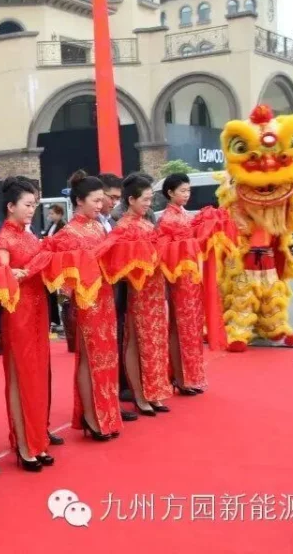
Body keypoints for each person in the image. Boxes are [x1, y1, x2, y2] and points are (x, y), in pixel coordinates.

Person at [0, 178, 54, 472]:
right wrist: (19, 271)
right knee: (21, 375)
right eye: (27, 205)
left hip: (38, 308)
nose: (31, 210)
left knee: (38, 374)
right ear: (10, 206)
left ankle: (38, 441)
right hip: (18, 312)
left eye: (34, 205)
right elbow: (2, 272)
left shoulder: (28, 235)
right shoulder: (3, 238)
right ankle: (24, 445)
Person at [54, 171, 123, 440]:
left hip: (104, 296)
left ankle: (107, 414)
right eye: (95, 200)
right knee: (89, 357)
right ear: (79, 201)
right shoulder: (68, 233)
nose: (100, 205)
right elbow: (67, 276)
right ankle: (91, 417)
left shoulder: (97, 227)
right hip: (85, 300)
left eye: (101, 200)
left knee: (107, 356)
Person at [113, 175, 173, 416]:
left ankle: (154, 392)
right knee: (136, 341)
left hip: (155, 290)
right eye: (145, 199)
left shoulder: (147, 223)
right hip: (138, 291)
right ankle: (139, 395)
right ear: (131, 200)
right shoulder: (122, 227)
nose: (149, 204)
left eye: (150, 199)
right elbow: (121, 266)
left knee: (155, 342)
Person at [157, 173, 206, 395]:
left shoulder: (185, 215)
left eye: (188, 190)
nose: (187, 195)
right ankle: (181, 377)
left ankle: (191, 376)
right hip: (178, 279)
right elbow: (163, 251)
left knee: (191, 328)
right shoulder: (167, 219)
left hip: (192, 279)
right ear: (170, 193)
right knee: (180, 328)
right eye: (182, 191)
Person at [98, 173, 139, 424]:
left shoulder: (108, 222)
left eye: (116, 198)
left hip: (114, 290)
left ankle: (111, 400)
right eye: (109, 197)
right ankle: (101, 406)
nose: (113, 202)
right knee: (101, 354)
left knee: (112, 349)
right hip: (98, 295)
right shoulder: (100, 224)